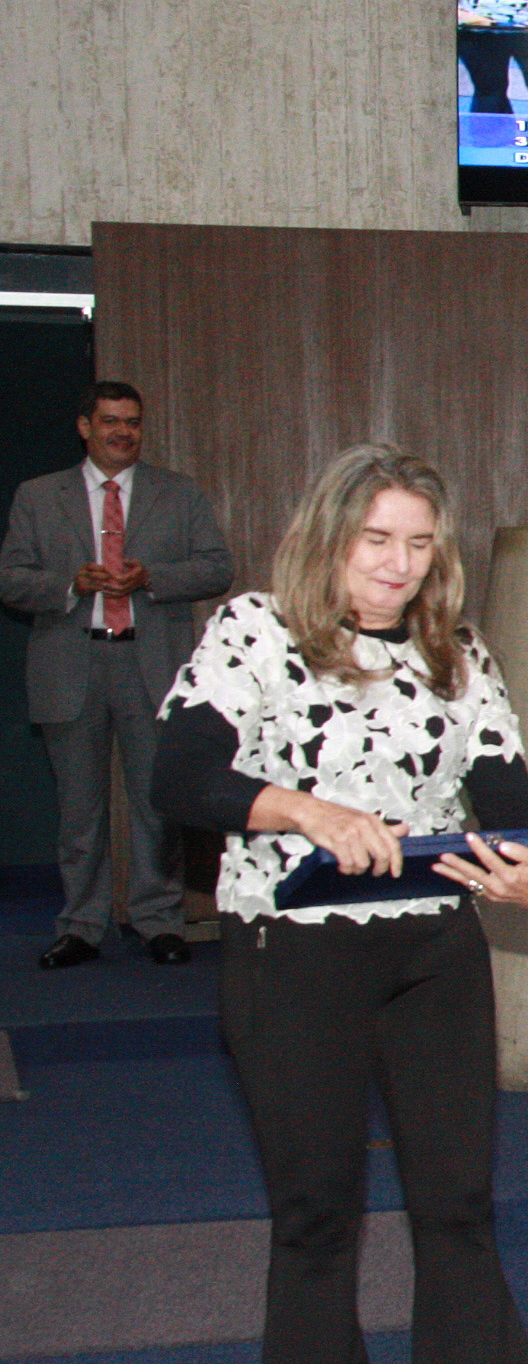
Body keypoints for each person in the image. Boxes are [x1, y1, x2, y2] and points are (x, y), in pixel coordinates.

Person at [152, 444, 528, 1364]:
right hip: (291, 954)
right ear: (327, 537)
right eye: (375, 539)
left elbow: (511, 799)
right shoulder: (253, 630)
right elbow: (180, 776)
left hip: (433, 952)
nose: (397, 564)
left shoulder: (454, 652)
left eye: (418, 544)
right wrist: (302, 809)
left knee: (458, 1207)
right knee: (317, 1218)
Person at [0, 379, 235, 969]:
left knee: (157, 805)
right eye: (110, 421)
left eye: (132, 422)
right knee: (80, 812)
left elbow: (217, 567)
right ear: (86, 427)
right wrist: (68, 584)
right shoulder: (38, 495)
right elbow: (11, 579)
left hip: (150, 665)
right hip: (69, 666)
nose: (123, 433)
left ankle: (159, 921)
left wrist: (151, 577)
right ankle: (82, 926)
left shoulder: (178, 492)